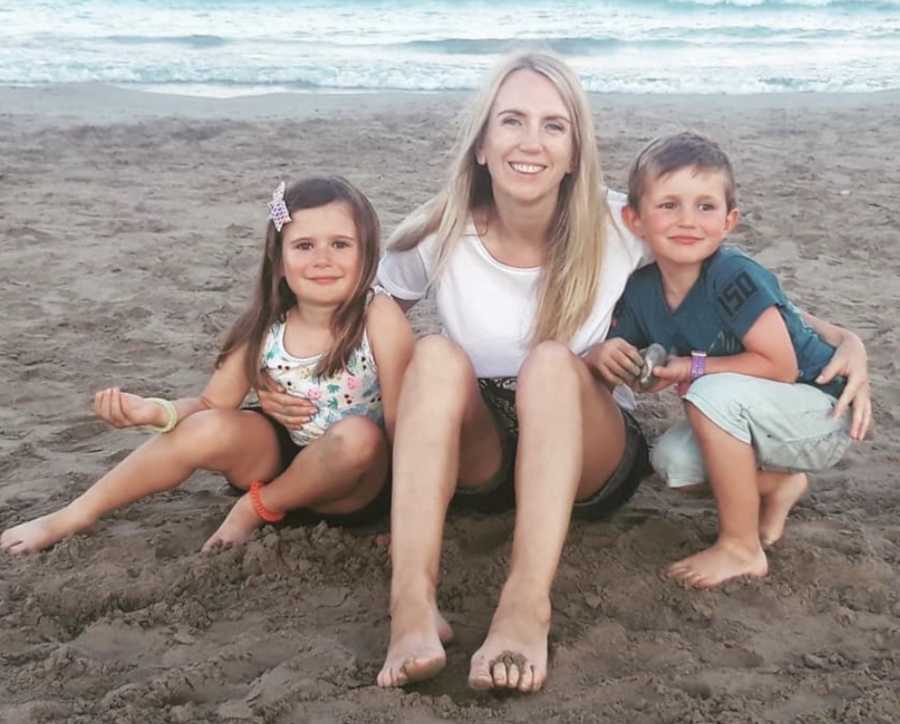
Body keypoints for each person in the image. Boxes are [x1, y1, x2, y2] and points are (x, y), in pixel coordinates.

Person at [256, 53, 871, 693]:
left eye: (554, 126)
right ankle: (412, 606)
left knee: (551, 360)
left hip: (588, 444)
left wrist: (843, 337)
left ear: (576, 150)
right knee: (434, 355)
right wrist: (275, 377)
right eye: (512, 121)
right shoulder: (442, 229)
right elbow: (343, 304)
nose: (531, 142)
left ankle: (526, 606)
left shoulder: (619, 224)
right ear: (484, 145)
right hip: (482, 453)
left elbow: (735, 284)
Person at [1, 176, 413, 555]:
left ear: (366, 252)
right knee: (207, 426)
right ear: (279, 258)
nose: (322, 258)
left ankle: (258, 509)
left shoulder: (377, 315)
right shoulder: (266, 325)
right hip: (274, 461)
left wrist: (405, 519)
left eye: (340, 244)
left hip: (350, 484)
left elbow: (402, 422)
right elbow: (211, 404)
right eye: (304, 245)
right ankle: (75, 514)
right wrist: (156, 411)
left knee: (358, 437)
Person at [595, 131, 872, 589]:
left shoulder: (733, 275)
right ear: (635, 219)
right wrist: (620, 360)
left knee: (709, 390)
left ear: (729, 221)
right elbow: (634, 364)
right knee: (672, 463)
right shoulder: (642, 290)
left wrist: (691, 368)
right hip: (752, 417)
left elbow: (780, 364)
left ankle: (741, 547)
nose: (688, 220)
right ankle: (781, 485)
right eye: (668, 205)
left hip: (819, 407)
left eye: (705, 206)